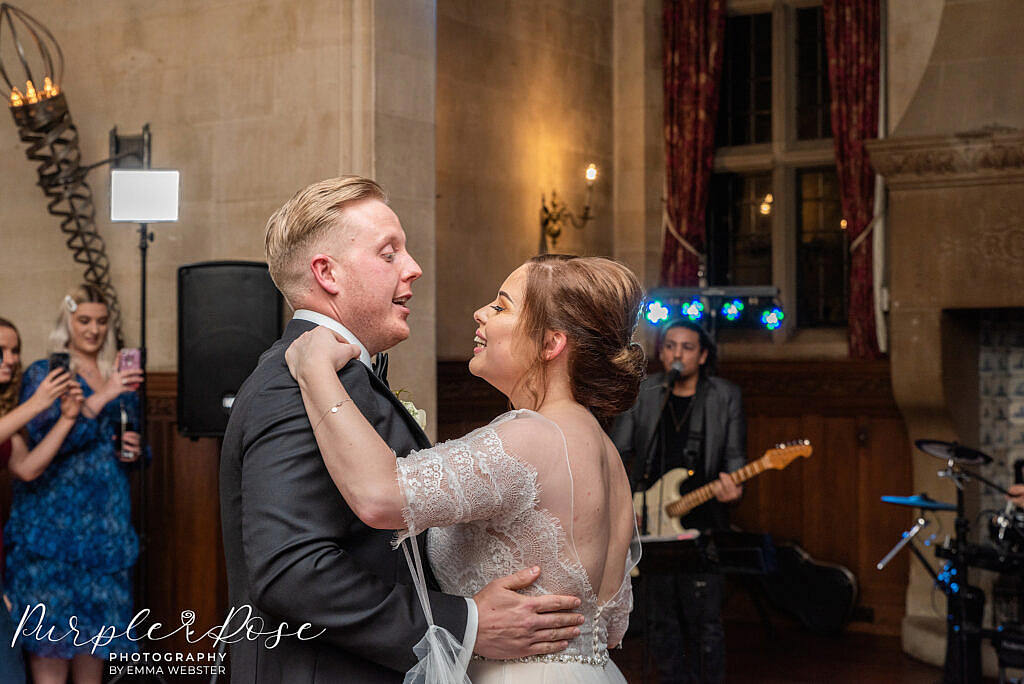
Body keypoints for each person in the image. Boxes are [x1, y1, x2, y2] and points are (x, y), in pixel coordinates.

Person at [220, 176, 589, 684]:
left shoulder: (332, 377)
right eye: (389, 253)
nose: (413, 268)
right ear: (327, 273)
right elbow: (292, 572)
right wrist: (465, 622)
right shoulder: (292, 385)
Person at [286, 252, 644, 683]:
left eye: (501, 306)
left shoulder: (532, 436)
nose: (480, 313)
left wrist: (314, 369)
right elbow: (613, 626)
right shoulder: (604, 451)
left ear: (551, 343)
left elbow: (379, 496)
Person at [4, 286, 144, 684]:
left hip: (106, 535)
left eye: (101, 321)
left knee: (94, 659)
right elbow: (40, 438)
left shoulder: (120, 376)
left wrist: (133, 450)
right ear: (67, 322)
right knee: (50, 654)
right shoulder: (45, 373)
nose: (93, 329)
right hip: (53, 533)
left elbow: (129, 441)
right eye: (84, 320)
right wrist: (103, 396)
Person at [609, 317, 746, 684]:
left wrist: (735, 487)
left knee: (706, 621)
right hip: (650, 520)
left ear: (702, 355)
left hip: (703, 520)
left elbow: (734, 458)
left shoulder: (724, 396)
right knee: (660, 619)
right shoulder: (645, 391)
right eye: (670, 346)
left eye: (687, 347)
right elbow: (618, 455)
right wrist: (627, 507)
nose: (677, 354)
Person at [0, 317, 83, 684]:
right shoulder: (18, 411)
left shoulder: (7, 412)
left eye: (15, 350)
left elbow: (27, 467)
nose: (11, 359)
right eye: (1, 350)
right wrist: (38, 402)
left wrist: (66, 418)